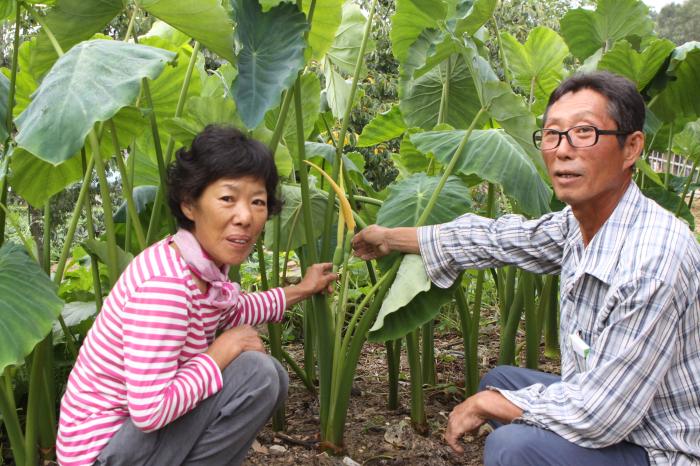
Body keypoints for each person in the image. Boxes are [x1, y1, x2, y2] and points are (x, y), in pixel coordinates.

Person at [351, 71, 700, 466]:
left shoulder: (653, 258)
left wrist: (489, 405)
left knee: (511, 446)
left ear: (631, 147)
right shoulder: (581, 223)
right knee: (500, 382)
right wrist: (392, 238)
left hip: (657, 447)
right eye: (552, 134)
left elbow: (603, 415)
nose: (563, 150)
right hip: (618, 416)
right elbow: (498, 238)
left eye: (584, 132)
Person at [56, 126, 338, 466]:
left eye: (258, 202)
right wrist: (220, 353)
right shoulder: (167, 285)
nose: (245, 217)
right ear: (189, 204)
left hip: (130, 444)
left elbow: (234, 309)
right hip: (103, 454)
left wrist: (304, 288)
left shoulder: (199, 267)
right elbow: (150, 412)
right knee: (257, 374)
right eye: (227, 199)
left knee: (271, 375)